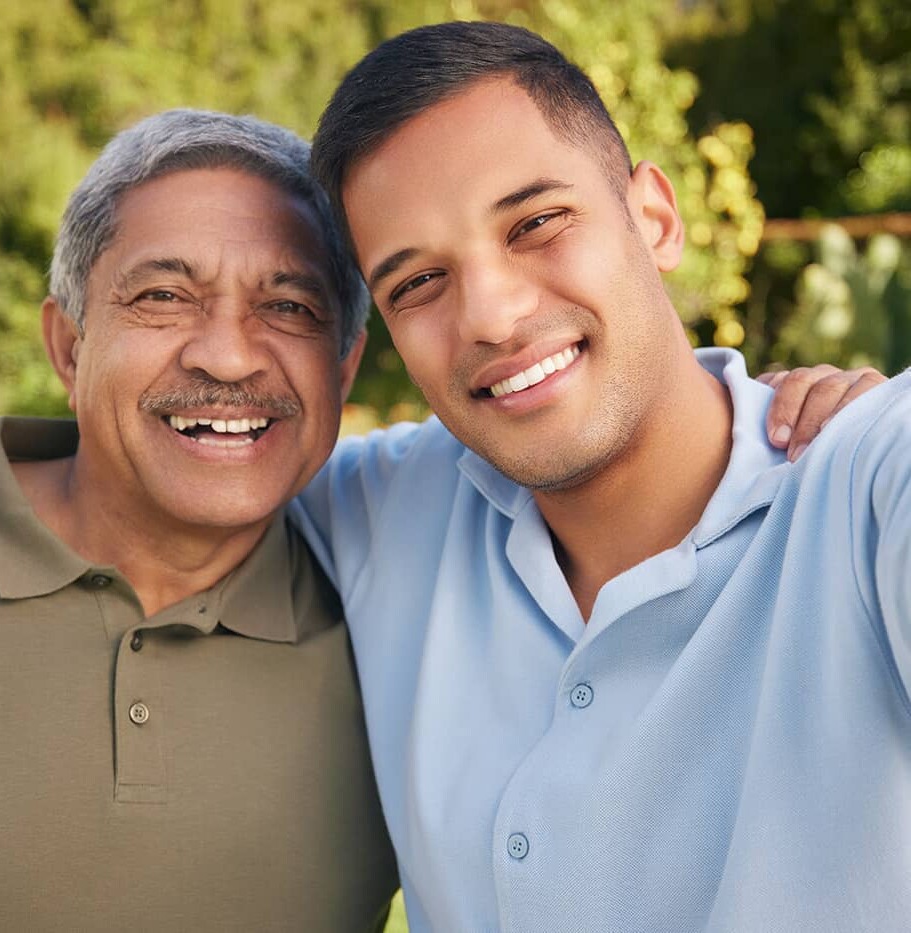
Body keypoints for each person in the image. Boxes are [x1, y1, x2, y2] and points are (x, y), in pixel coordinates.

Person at [292, 20, 910, 932]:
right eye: (417, 282)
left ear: (654, 219)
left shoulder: (864, 484)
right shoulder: (378, 508)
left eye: (535, 223)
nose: (491, 316)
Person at [0, 110, 398, 931]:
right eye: (164, 295)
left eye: (288, 306)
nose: (229, 355)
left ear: (343, 367)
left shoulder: (398, 623)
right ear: (68, 347)